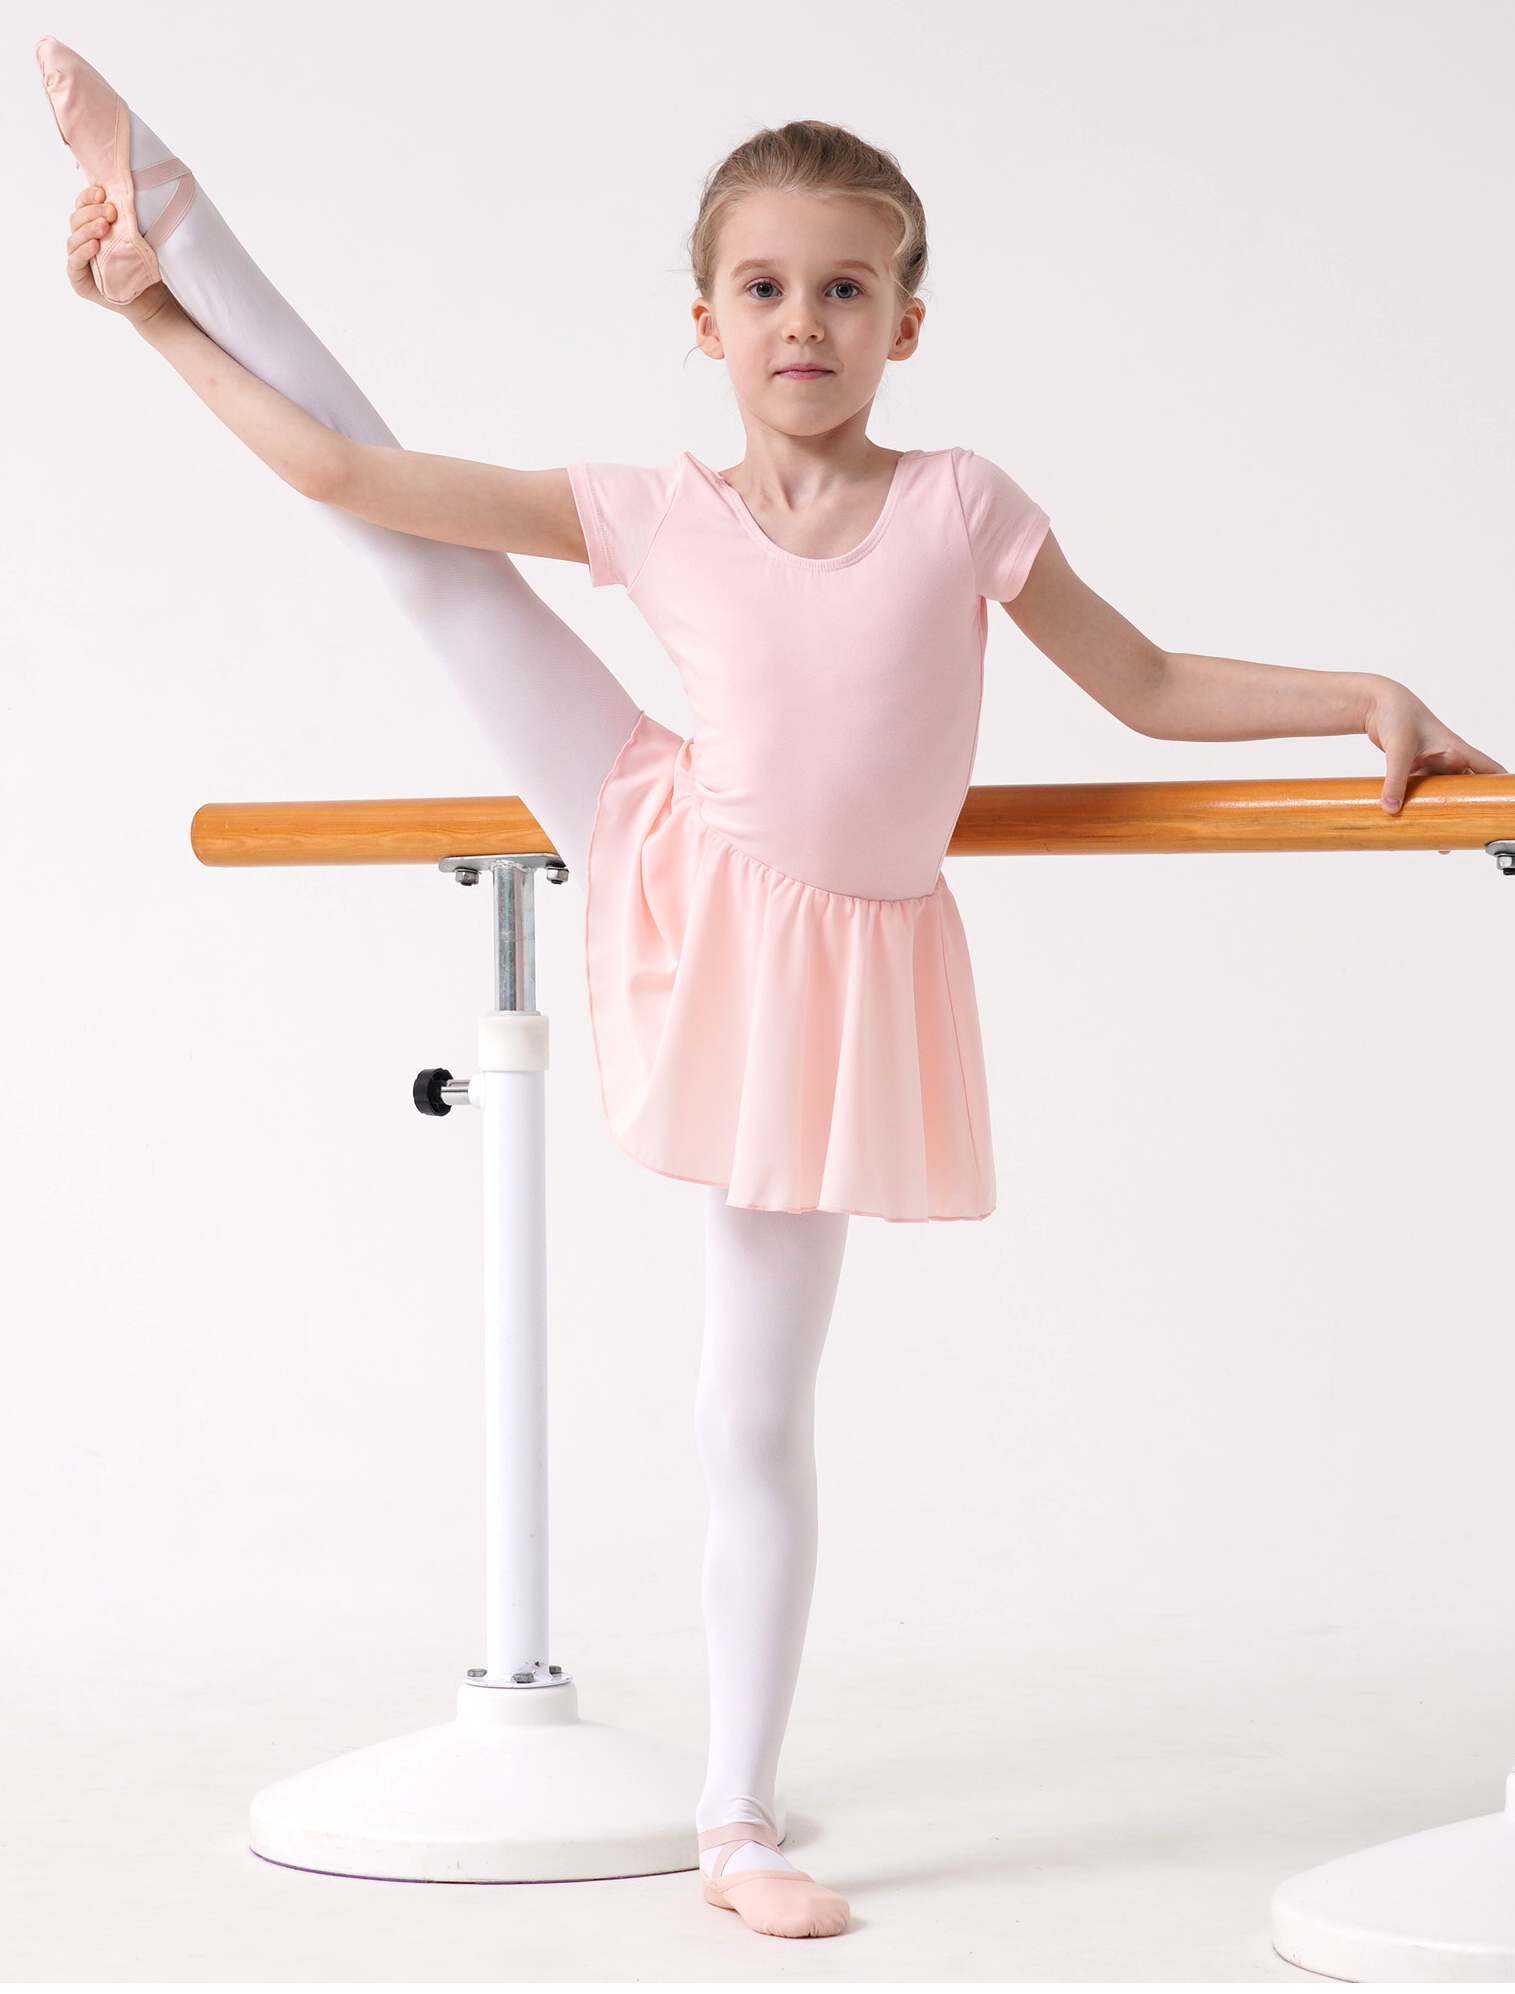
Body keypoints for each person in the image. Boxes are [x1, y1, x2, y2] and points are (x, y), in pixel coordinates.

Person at [38, 37, 1503, 1943]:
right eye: (761, 287)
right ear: (705, 320)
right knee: (426, 568)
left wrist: (1357, 696)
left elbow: (1141, 687)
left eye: (842, 287)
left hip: (820, 978)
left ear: (905, 320)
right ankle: (172, 202)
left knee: (750, 1409)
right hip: (662, 840)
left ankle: (733, 1819)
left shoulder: (963, 504)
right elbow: (341, 469)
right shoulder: (659, 508)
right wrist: (151, 315)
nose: (801, 321)